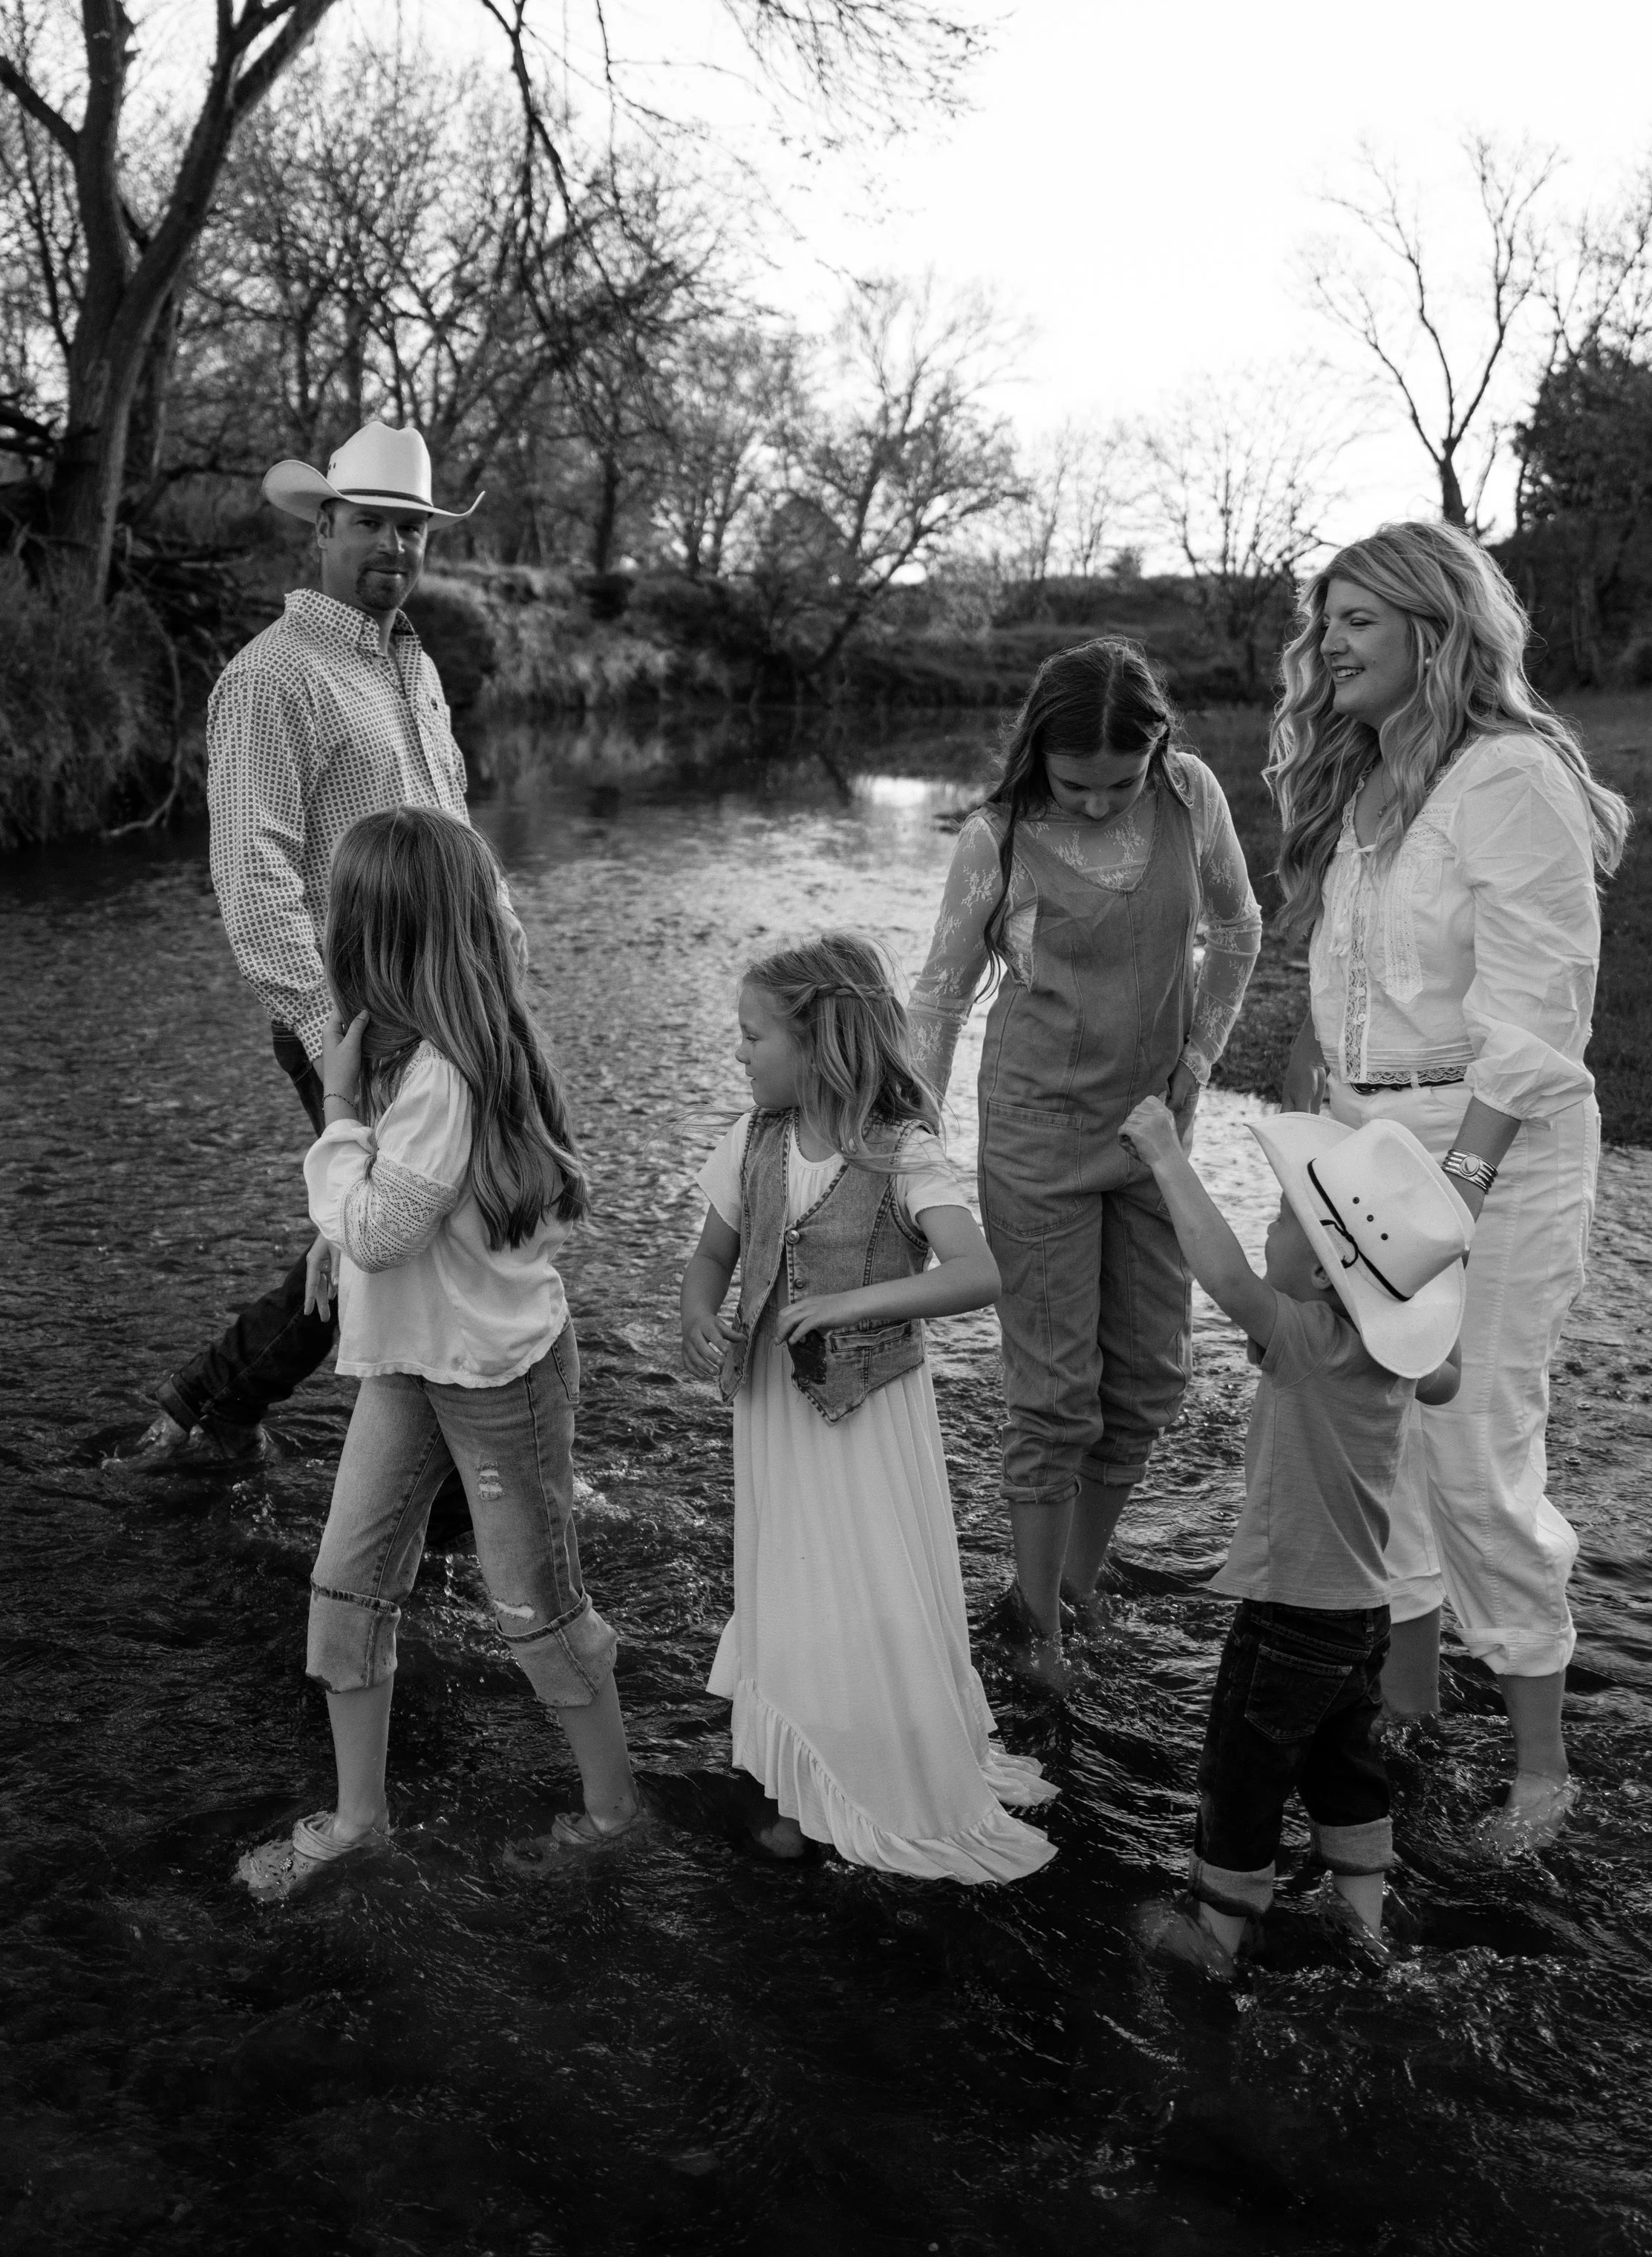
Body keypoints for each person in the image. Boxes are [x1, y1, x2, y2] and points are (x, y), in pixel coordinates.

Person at [1269, 520, 1628, 1855]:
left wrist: (1460, 1186)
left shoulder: (1511, 776)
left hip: (1504, 1152)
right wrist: (1312, 1148)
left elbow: (1540, 1013)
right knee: (1388, 1444)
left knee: (1476, 1448)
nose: (1330, 645)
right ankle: (1410, 1699)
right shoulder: (1357, 783)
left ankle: (1543, 1763)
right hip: (1370, 1151)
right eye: (1327, 622)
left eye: (1358, 621)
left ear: (1437, 630)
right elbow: (1336, 994)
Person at [238, 806, 641, 1897]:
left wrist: (330, 1113)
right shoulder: (418, 1052)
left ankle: (616, 1812)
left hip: (498, 1380)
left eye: (338, 918)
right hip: (413, 1366)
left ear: (377, 937)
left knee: (536, 1611)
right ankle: (360, 1818)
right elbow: (379, 1232)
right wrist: (342, 1244)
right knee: (347, 1588)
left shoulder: (442, 1078)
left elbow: (374, 1223)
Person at [112, 419, 497, 1506]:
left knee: (396, 1239)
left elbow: (458, 839)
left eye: (411, 528)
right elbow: (252, 880)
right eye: (371, 523)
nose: (393, 545)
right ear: (323, 528)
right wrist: (342, 1054)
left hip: (458, 1011)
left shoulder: (413, 669)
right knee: (407, 1239)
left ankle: (209, 1411)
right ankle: (454, 1494)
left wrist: (499, 991)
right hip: (363, 1021)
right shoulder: (272, 679)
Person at [909, 638, 1263, 1696]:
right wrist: (915, 1153)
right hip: (1035, 1137)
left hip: (1156, 1141)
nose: (1106, 805)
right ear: (1038, 757)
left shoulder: (1191, 795)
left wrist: (1199, 1056)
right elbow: (934, 999)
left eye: (1125, 781)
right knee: (1057, 1398)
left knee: (1151, 1381)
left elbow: (1240, 931)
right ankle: (1039, 1620)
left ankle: (1073, 1578)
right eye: (1079, 784)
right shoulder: (997, 839)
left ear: (1160, 752)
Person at [679, 932, 1057, 1884]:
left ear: (820, 1041)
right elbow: (712, 1255)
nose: (740, 1051)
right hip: (776, 1409)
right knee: (792, 1574)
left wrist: (855, 1302)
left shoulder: (902, 1150)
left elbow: (979, 1272)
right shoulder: (752, 1140)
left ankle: (880, 1768)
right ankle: (800, 1769)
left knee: (867, 1571)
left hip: (868, 1412)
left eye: (753, 1034)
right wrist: (696, 1311)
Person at [1121, 1094, 1466, 1978]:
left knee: (1241, 1771)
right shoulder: (1390, 1354)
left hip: (1286, 1612)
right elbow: (1445, 1371)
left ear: (1322, 1277)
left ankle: (1219, 1933)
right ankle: (1364, 1922)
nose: (1267, 1228)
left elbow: (1226, 1278)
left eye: (1281, 1220)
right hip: (1361, 1614)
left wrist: (1167, 1156)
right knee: (1342, 1763)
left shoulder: (1309, 1339)